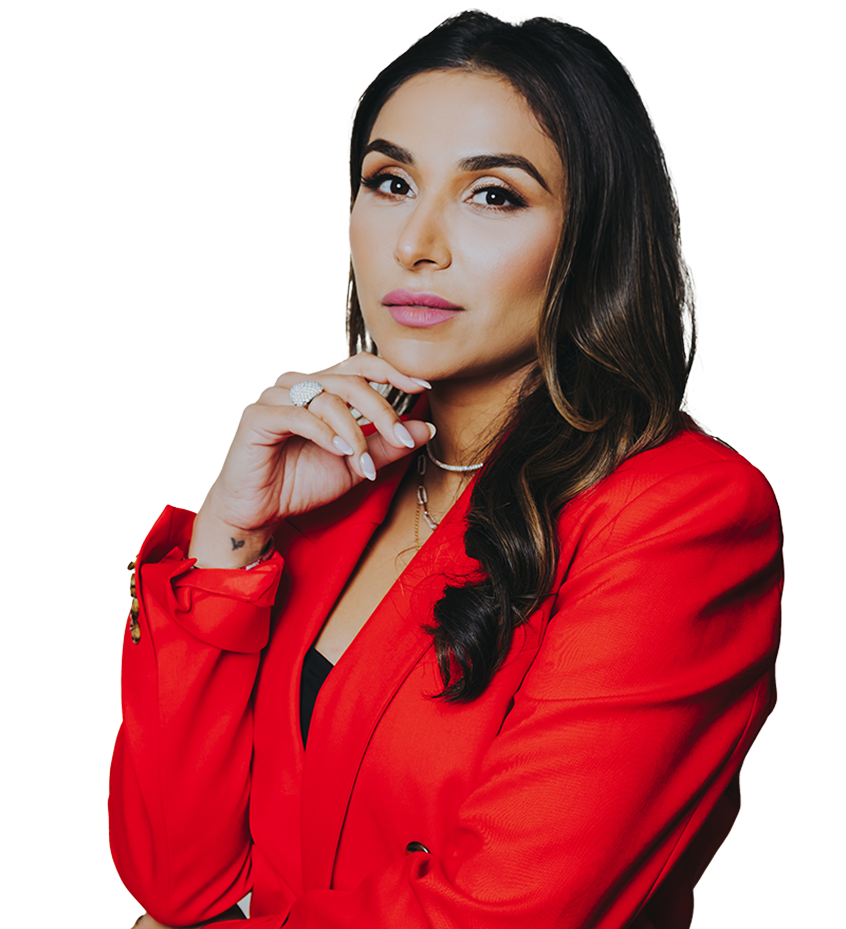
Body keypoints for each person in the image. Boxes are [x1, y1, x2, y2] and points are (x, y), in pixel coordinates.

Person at [109, 9, 784, 928]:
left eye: (493, 195)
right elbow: (174, 878)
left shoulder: (679, 513)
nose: (416, 242)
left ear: (590, 239)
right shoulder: (337, 480)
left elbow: (507, 912)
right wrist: (232, 538)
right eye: (390, 182)